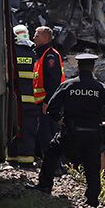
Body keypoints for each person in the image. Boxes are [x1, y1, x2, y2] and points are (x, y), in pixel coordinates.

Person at [29, 53, 105, 207]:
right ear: (92, 68)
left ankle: (45, 185)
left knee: (52, 152)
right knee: (92, 165)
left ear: (78, 67)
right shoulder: (100, 88)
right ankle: (92, 199)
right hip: (92, 134)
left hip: (71, 133)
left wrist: (61, 122)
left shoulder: (68, 85)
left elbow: (52, 108)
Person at [8, 25, 40, 167]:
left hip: (13, 101)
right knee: (28, 129)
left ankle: (12, 158)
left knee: (13, 127)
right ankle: (26, 160)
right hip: (31, 101)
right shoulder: (34, 54)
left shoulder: (10, 53)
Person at [32, 26, 64, 161]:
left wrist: (47, 102)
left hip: (48, 103)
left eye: (37, 35)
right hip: (42, 102)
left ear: (46, 38)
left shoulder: (50, 55)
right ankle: (52, 164)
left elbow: (54, 81)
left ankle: (54, 165)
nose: (33, 37)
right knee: (45, 134)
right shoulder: (42, 54)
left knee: (47, 135)